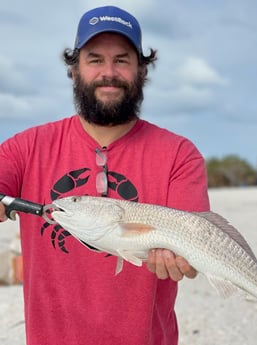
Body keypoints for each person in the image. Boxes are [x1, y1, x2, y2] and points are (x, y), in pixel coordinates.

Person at [0, 5, 210, 345]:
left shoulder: (179, 154)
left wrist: (181, 258)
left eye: (122, 60)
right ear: (74, 70)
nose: (108, 72)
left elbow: (196, 239)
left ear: (142, 70)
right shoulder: (26, 147)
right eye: (95, 59)